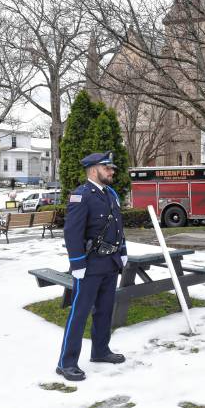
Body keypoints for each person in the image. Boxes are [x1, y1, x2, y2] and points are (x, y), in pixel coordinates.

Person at [56, 151, 127, 382]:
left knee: (105, 311)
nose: (112, 171)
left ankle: (100, 351)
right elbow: (72, 233)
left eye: (112, 168)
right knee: (79, 313)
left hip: (110, 263)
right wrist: (76, 263)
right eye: (107, 168)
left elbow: (118, 226)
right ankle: (66, 363)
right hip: (89, 266)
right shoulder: (81, 195)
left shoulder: (111, 194)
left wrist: (123, 252)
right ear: (93, 170)